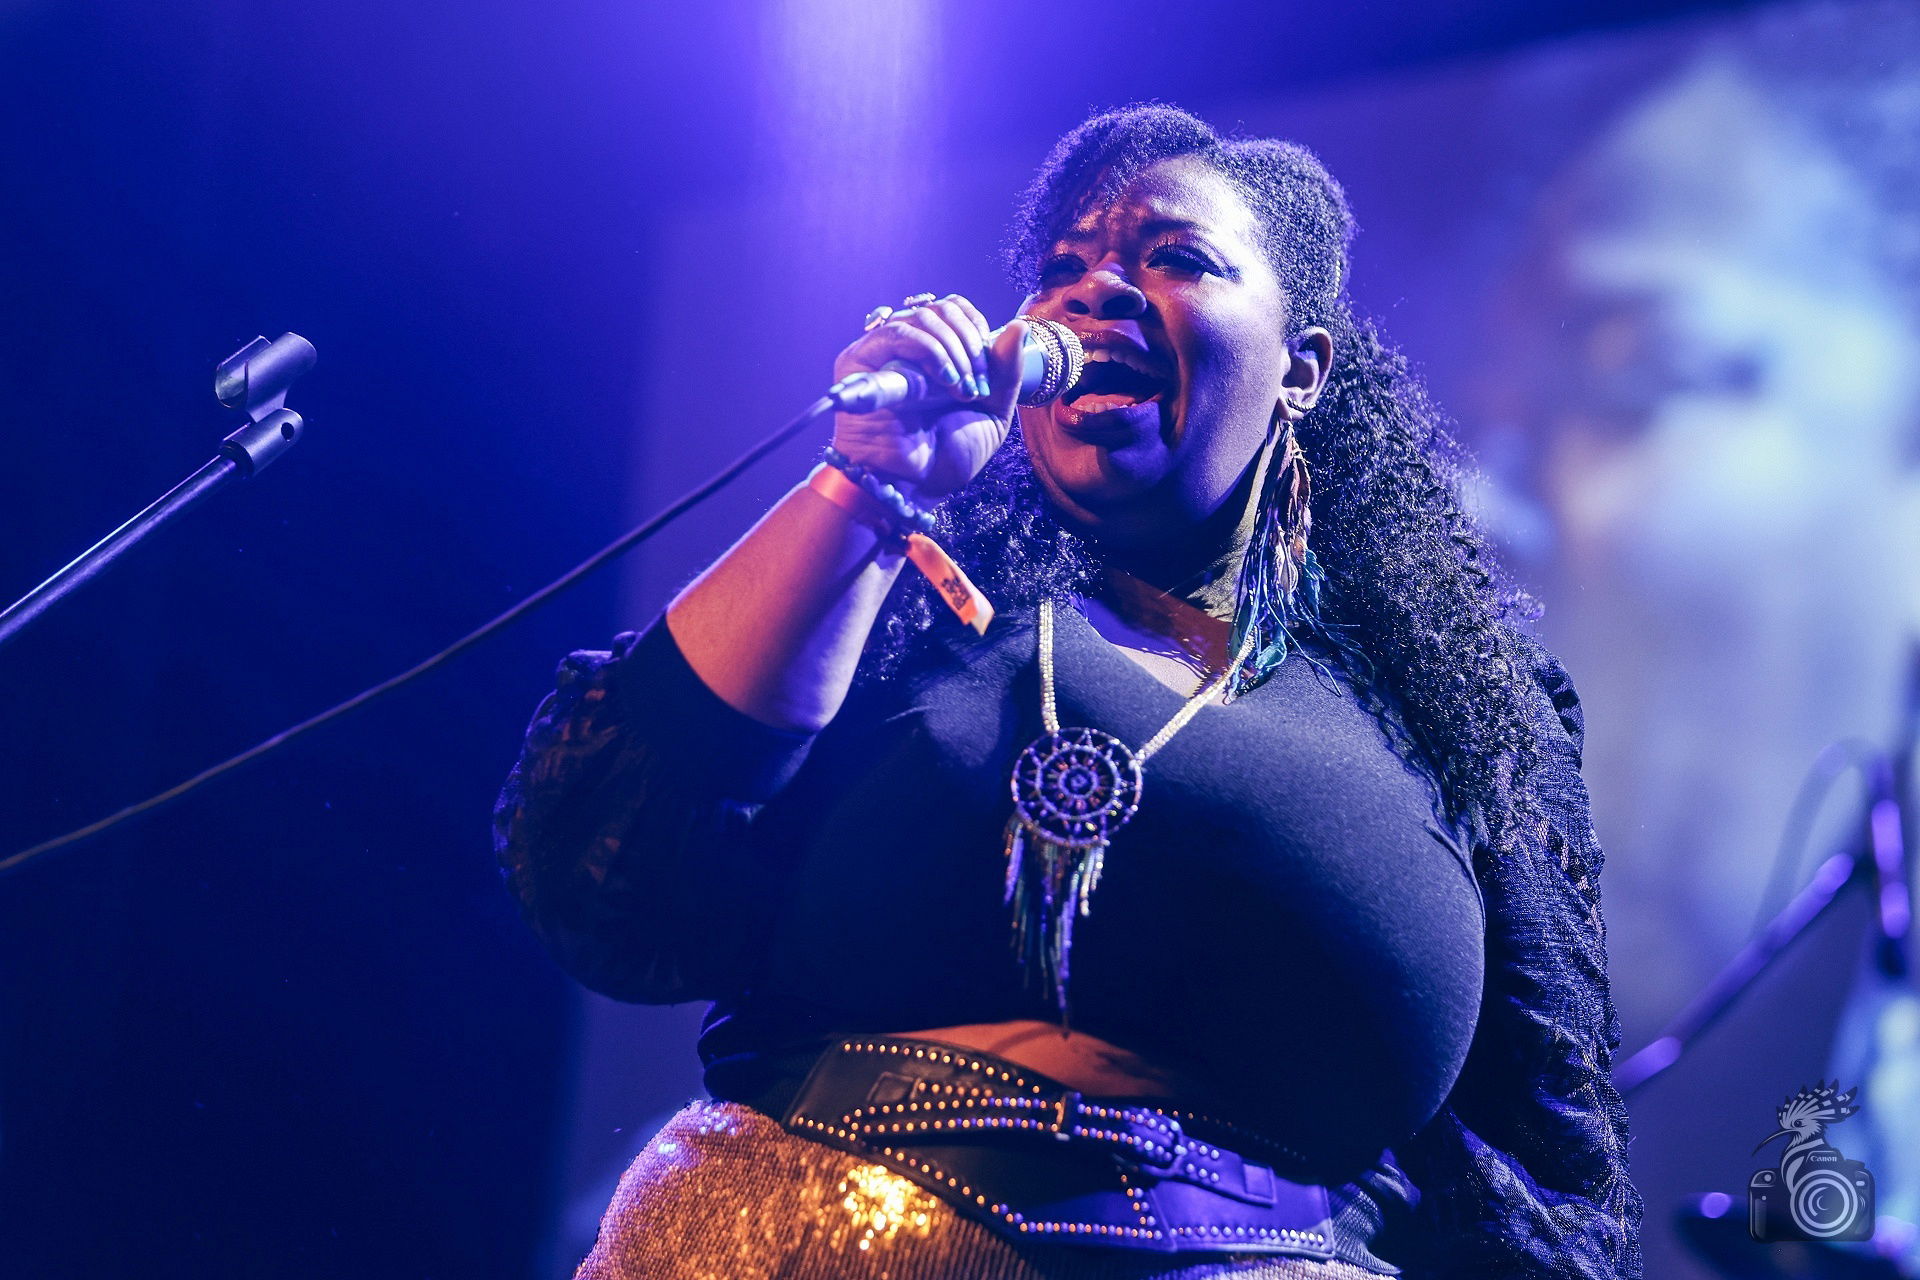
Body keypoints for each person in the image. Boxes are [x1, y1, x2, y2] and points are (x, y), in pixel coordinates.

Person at [494, 104, 1643, 1279]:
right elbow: (608, 850)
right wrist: (872, 488)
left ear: (1302, 368)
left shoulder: (1457, 711)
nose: (1096, 288)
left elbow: (1548, 1172)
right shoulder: (909, 597)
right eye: (1065, 265)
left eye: (1176, 256)